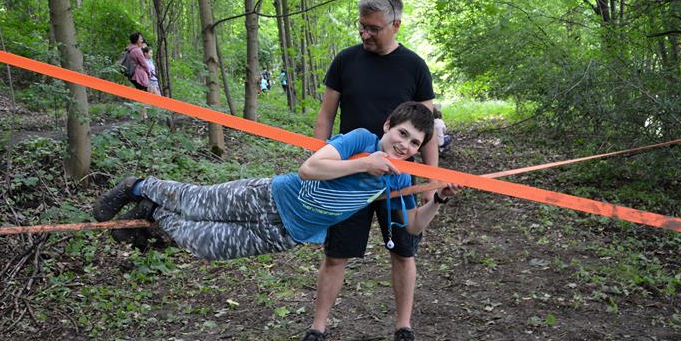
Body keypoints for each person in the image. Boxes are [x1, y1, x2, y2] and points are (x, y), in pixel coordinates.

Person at [93, 102, 460, 265]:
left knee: (206, 246)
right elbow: (310, 169)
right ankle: (137, 186)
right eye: (402, 134)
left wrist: (437, 201)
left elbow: (412, 226)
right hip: (268, 197)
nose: (405, 145)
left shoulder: (399, 178)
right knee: (196, 202)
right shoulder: (362, 140)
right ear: (387, 127)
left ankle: (154, 214)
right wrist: (365, 164)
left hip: (288, 233)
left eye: (414, 143)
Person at [300, 0, 437, 341]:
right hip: (350, 176)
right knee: (335, 256)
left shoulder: (414, 66)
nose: (365, 34)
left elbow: (428, 129)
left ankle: (403, 329)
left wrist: (431, 183)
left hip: (399, 180)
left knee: (403, 252)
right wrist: (319, 156)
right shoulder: (345, 61)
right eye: (362, 26)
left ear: (396, 24)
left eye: (373, 28)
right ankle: (317, 329)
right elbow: (326, 115)